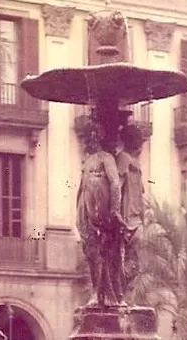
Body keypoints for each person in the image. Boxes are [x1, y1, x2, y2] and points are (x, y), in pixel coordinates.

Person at [76, 117, 134, 307]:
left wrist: (114, 210)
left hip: (104, 214)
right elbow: (81, 187)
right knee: (92, 254)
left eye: (91, 136)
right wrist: (79, 213)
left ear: (97, 137)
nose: (88, 140)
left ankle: (109, 295)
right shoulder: (87, 161)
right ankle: (95, 292)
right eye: (87, 137)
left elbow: (115, 184)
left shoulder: (106, 158)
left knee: (106, 254)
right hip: (87, 213)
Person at [116, 123, 145, 293]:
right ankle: (122, 294)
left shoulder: (135, 163)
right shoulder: (124, 159)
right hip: (128, 220)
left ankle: (125, 294)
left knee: (133, 260)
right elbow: (117, 185)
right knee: (128, 259)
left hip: (135, 218)